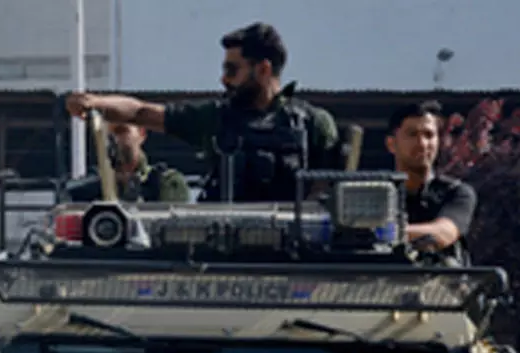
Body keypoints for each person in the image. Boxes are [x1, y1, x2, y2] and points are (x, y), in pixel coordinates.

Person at [66, 22, 344, 203]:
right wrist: (95, 102)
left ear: (263, 69)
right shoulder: (214, 117)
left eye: (232, 70)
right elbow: (141, 112)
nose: (223, 79)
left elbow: (324, 198)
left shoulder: (314, 125)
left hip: (292, 259)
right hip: (222, 252)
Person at [386, 99, 477, 266]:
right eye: (412, 134)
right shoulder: (375, 194)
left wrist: (385, 234)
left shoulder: (457, 193)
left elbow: (443, 233)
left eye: (429, 135)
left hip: (440, 288)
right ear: (391, 144)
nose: (422, 144)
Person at [61, 121, 192, 204]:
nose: (115, 140)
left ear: (141, 133)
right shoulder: (89, 186)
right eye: (107, 135)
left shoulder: (167, 182)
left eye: (121, 131)